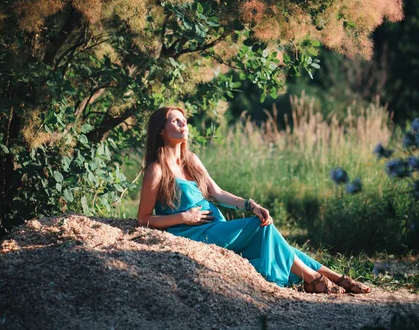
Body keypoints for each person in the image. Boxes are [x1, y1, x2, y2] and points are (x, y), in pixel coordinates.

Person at [137, 106, 371, 295]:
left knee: (283, 245)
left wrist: (251, 205)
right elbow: (143, 218)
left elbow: (217, 193)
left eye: (184, 120)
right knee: (259, 227)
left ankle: (338, 279)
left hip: (216, 227)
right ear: (161, 130)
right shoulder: (156, 171)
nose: (183, 123)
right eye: (175, 120)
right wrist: (184, 217)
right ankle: (313, 279)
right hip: (192, 234)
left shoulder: (192, 160)